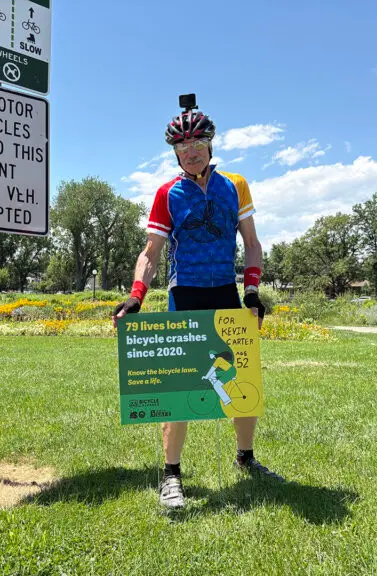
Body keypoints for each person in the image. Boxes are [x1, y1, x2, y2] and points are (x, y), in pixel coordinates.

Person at [113, 100, 286, 509]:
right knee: (180, 387)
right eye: (182, 146)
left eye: (197, 144)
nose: (190, 152)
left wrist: (252, 292)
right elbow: (151, 251)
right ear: (175, 153)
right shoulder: (167, 193)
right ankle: (171, 475)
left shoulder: (235, 185)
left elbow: (252, 243)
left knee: (241, 378)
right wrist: (136, 295)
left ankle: (245, 457)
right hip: (185, 294)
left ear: (210, 145)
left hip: (226, 292)